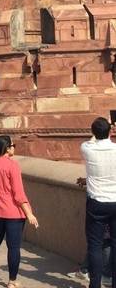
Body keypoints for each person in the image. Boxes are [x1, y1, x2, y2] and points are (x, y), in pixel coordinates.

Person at [0, 135, 39, 288]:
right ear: (6, 148)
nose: (14, 147)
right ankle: (12, 281)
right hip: (13, 213)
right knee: (13, 247)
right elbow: (19, 194)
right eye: (13, 145)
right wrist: (29, 213)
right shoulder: (13, 165)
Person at [82, 117, 116, 288]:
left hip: (97, 203)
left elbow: (92, 139)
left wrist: (102, 130)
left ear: (93, 132)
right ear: (111, 131)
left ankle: (94, 284)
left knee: (95, 245)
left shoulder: (87, 149)